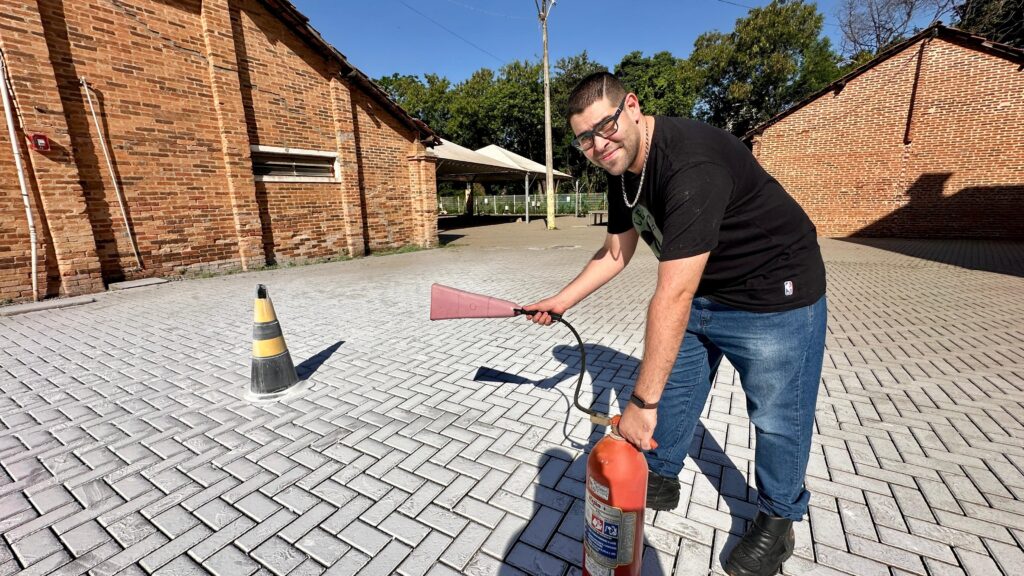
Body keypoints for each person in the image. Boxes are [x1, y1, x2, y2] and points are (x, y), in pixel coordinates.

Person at [524, 72, 827, 576]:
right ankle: (661, 471)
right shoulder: (619, 169)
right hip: (707, 290)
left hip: (775, 295)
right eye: (585, 139)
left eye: (606, 126)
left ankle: (779, 519)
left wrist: (639, 405)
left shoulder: (692, 162)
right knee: (680, 389)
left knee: (777, 417)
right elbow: (616, 252)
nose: (598, 145)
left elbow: (673, 295)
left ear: (633, 107)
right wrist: (560, 301)